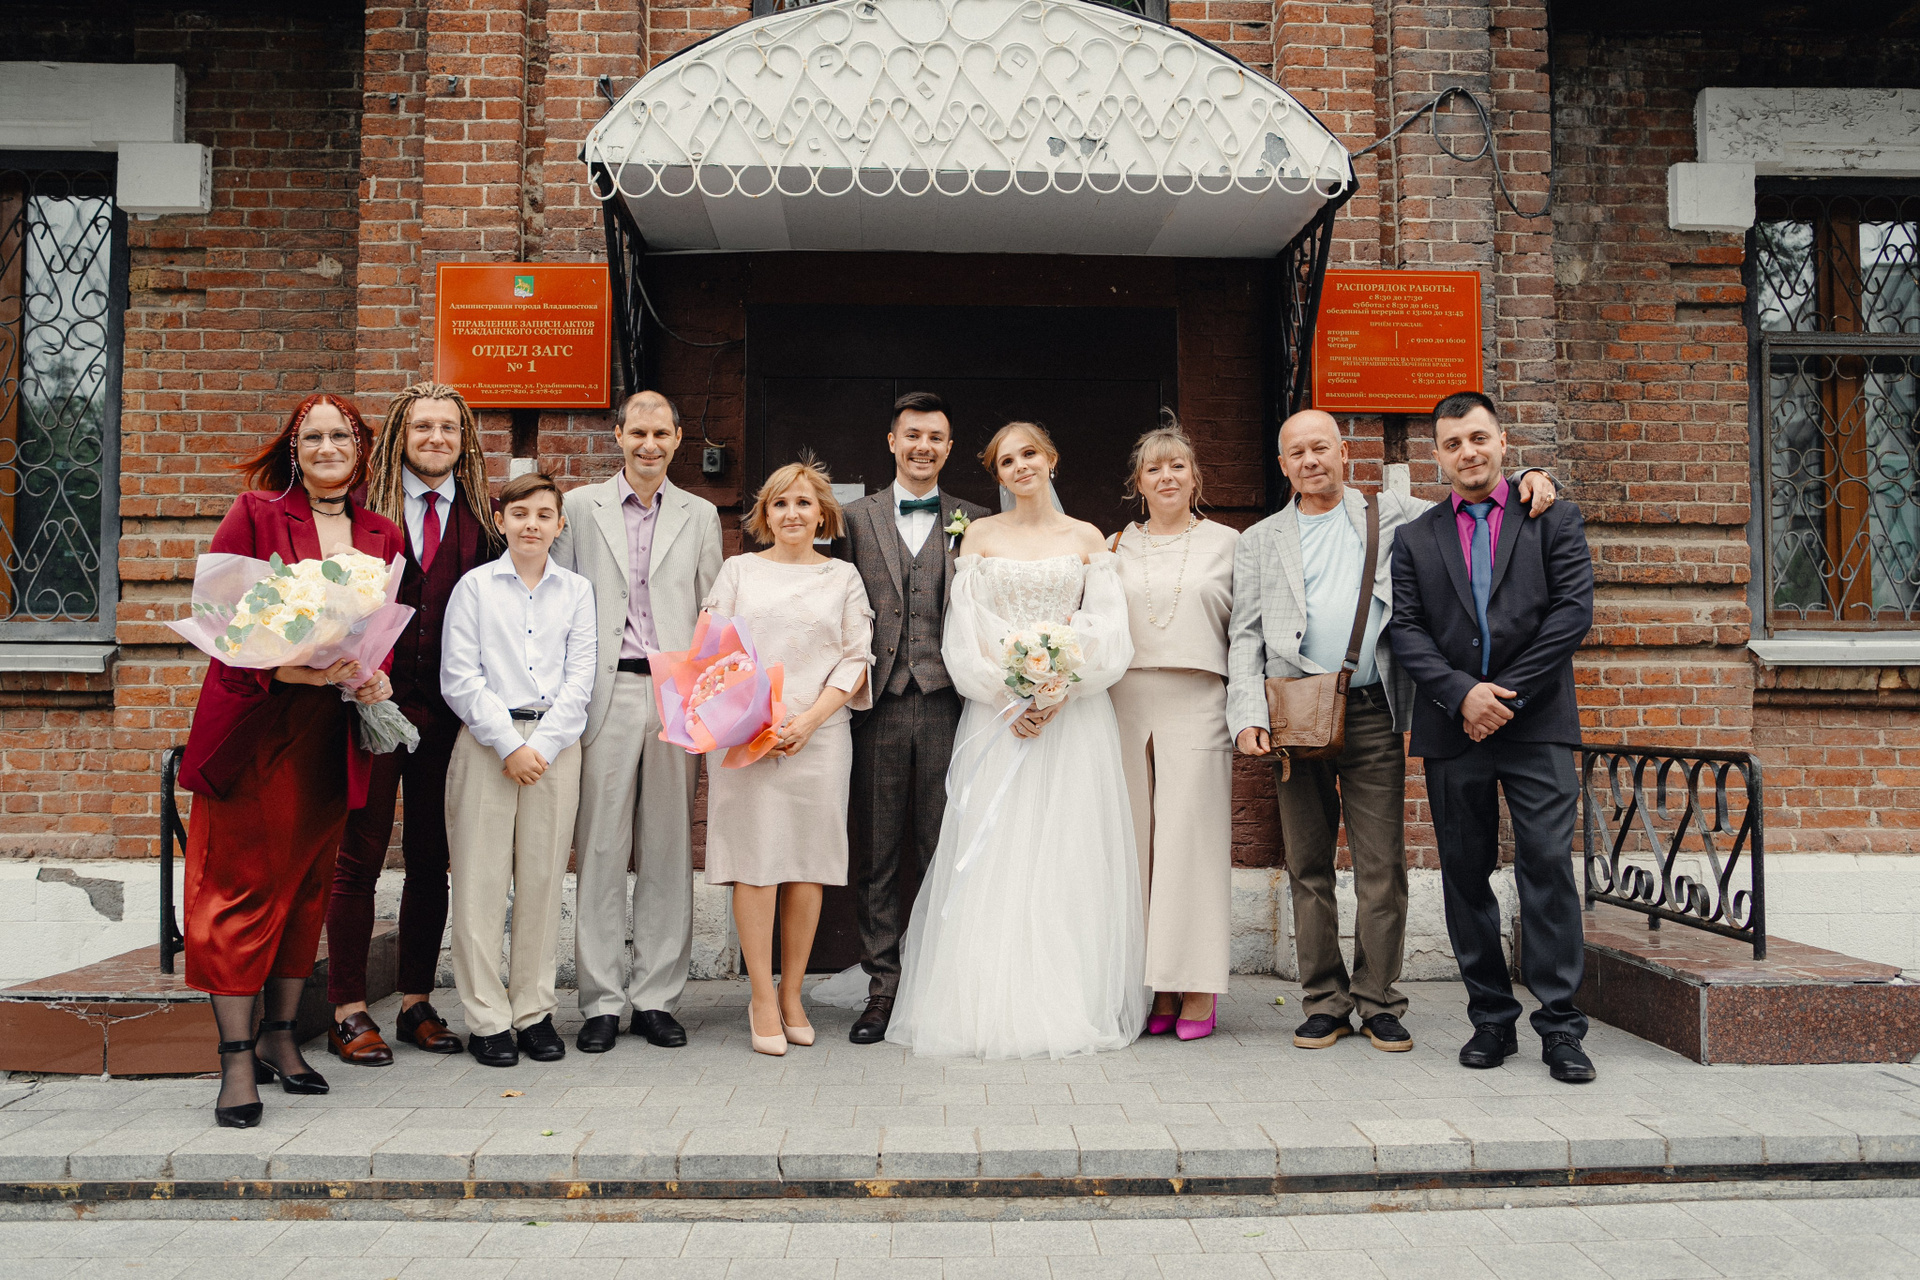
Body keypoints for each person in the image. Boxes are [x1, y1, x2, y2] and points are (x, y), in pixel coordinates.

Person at [1229, 409, 1556, 1055]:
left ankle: (1379, 1001)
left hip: (1373, 709)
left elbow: (1473, 495)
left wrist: (1533, 477)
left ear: (1344, 453)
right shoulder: (1260, 539)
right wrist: (1246, 715)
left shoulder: (1397, 514)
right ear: (1284, 465)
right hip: (1293, 715)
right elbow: (1244, 634)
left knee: (1382, 866)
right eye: (1297, 453)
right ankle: (1324, 1003)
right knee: (1308, 866)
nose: (1311, 461)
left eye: (1321, 448)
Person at [176, 392, 405, 1127]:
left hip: (328, 739)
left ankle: (280, 1039)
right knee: (240, 892)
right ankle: (236, 1062)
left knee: (306, 891)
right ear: (295, 449)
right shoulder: (257, 514)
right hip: (260, 731)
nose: (328, 447)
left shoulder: (381, 532)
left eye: (342, 436)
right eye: (314, 437)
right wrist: (287, 668)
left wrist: (372, 675)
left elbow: (376, 632)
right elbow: (222, 622)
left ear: (361, 449)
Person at [888, 421, 1147, 1059]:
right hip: (997, 716)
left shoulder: (1086, 538)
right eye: (1006, 461)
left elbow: (1109, 629)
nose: (1020, 466)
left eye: (1029, 453)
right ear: (997, 475)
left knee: (1066, 849)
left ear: (1051, 459)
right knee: (994, 846)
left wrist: (1059, 689)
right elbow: (964, 633)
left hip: (1073, 719)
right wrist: (1010, 697)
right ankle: (987, 1001)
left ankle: (1068, 997)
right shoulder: (979, 536)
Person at [1387, 391, 1597, 1084]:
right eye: (1453, 444)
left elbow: (1571, 614)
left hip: (1536, 724)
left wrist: (1501, 696)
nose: (1467, 452)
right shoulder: (1416, 538)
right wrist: (1461, 695)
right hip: (1454, 727)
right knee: (1464, 873)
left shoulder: (1552, 517)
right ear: (1437, 457)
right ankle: (1491, 1020)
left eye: (1478, 438)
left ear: (1503, 442)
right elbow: (1407, 629)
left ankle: (1561, 1027)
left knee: (1547, 866)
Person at [325, 382, 500, 1067]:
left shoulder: (484, 521)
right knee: (359, 859)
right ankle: (347, 1009)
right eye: (423, 426)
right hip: (370, 707)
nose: (436, 438)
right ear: (402, 434)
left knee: (431, 859)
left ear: (464, 440)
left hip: (446, 715)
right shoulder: (363, 513)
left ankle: (415, 1003)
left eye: (448, 428)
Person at [554, 391, 724, 1053]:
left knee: (668, 848)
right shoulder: (579, 507)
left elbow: (711, 611)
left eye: (660, 434)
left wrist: (708, 703)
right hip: (607, 692)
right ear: (619, 435)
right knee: (599, 847)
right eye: (637, 433)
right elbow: (562, 602)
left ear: (678, 438)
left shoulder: (700, 515)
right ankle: (600, 1001)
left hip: (675, 694)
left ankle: (656, 998)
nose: (648, 445)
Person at [833, 391, 990, 1045]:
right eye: (913, 435)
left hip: (952, 705)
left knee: (942, 848)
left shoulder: (978, 523)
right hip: (878, 706)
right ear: (892, 441)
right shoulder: (852, 519)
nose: (923, 447)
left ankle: (936, 985)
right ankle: (882, 989)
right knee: (877, 854)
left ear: (949, 448)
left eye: (936, 438)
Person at [703, 460, 874, 1056]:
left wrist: (808, 720)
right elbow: (714, 650)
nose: (793, 513)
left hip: (819, 735)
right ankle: (760, 996)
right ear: (765, 514)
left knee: (806, 863)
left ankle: (793, 993)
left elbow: (856, 656)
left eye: (804, 503)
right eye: (780, 503)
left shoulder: (843, 576)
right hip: (746, 734)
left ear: (823, 513)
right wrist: (757, 719)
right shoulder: (738, 571)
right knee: (755, 863)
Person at [439, 472, 597, 1068]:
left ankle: (533, 1012)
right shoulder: (475, 588)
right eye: (521, 513)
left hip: (555, 746)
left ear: (560, 524)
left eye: (544, 514)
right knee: (478, 884)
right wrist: (508, 744)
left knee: (542, 880)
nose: (532, 524)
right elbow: (459, 676)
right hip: (487, 742)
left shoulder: (576, 591)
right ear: (502, 520)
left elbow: (581, 678)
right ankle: (486, 1019)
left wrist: (544, 744)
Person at [1108, 421, 1239, 1042]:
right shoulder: (1114, 545)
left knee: (1192, 842)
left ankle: (1197, 984)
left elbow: (1247, 634)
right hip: (1125, 700)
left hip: (1199, 695)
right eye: (1154, 468)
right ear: (1138, 483)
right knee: (1136, 843)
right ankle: (1155, 982)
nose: (1167, 476)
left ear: (1195, 478)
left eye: (1177, 466)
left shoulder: (1228, 543)